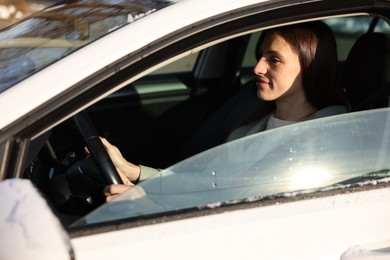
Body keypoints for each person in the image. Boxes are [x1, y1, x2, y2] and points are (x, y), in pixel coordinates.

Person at [101, 20, 348, 201]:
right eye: (261, 55)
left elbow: (254, 209)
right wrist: (135, 172)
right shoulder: (249, 127)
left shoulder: (329, 137)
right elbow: (211, 183)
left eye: (274, 59)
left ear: (310, 66)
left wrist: (149, 204)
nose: (257, 68)